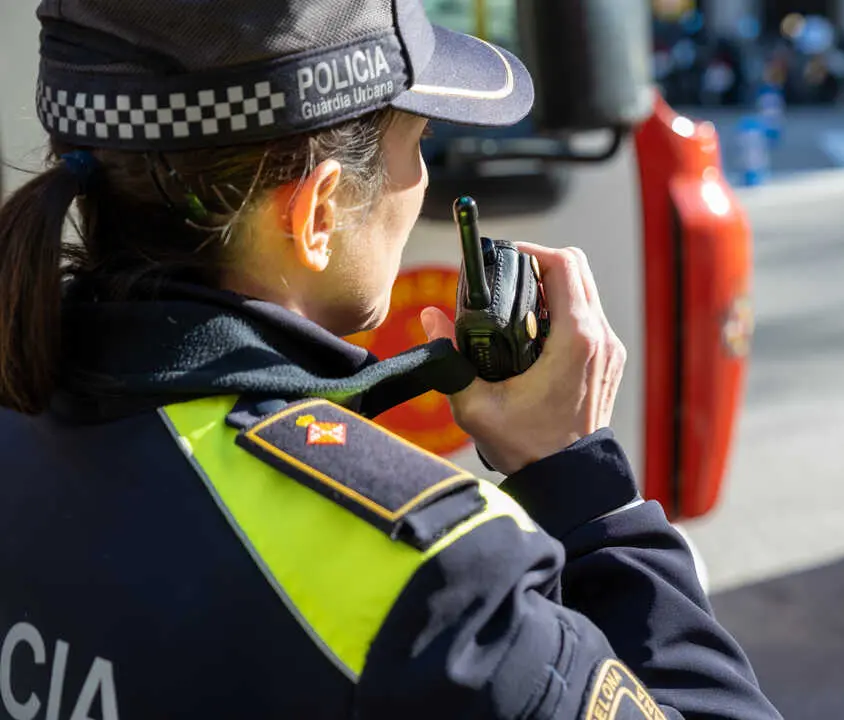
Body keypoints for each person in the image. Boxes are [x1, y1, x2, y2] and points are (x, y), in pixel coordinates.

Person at [0, 0, 784, 718]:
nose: (420, 181)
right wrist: (586, 493)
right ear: (316, 215)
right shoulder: (439, 584)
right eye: (419, 144)